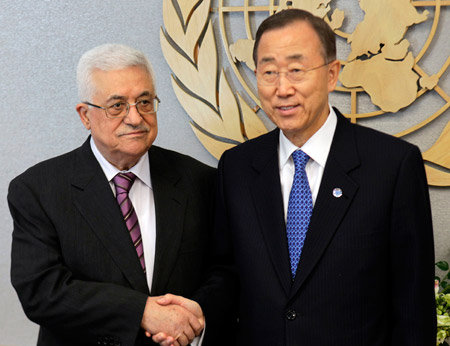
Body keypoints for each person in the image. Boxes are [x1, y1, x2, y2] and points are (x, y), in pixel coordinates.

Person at [194, 9, 436, 345]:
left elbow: (414, 307)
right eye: (268, 72)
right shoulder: (236, 168)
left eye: (296, 70)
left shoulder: (392, 166)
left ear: (332, 74)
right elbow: (226, 274)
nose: (282, 88)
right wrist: (194, 315)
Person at [8, 44, 218, 346]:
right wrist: (140, 312)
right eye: (117, 105)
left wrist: (197, 316)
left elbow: (224, 271)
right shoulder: (38, 189)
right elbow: (41, 291)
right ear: (85, 116)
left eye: (144, 102)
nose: (135, 118)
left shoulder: (200, 180)